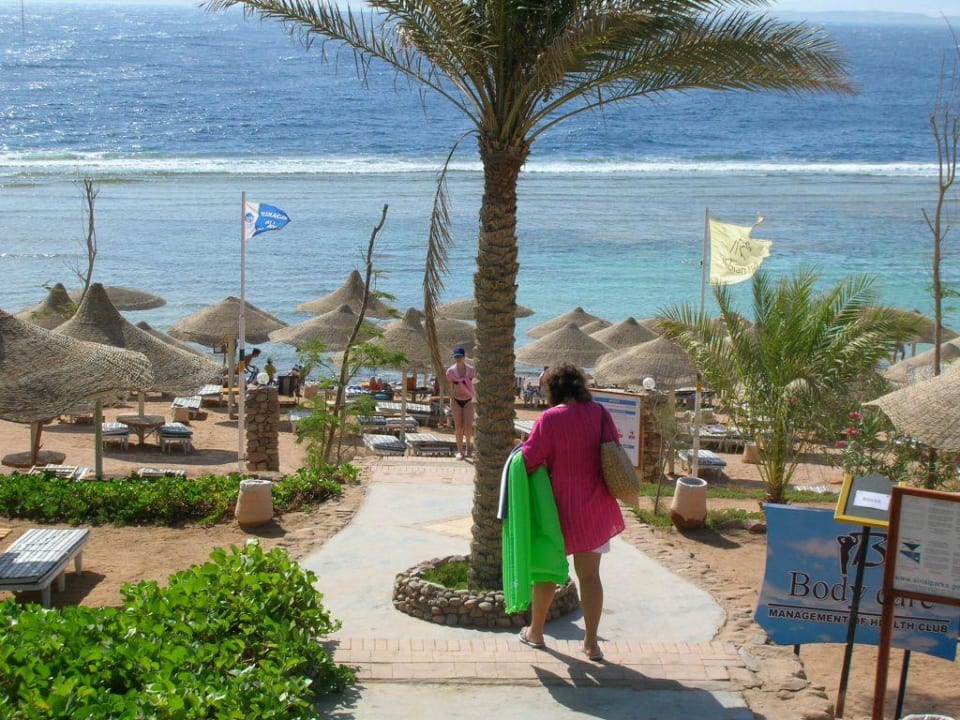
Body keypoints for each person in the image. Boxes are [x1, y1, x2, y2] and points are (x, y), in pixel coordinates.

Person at [518, 362, 626, 662]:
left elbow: (529, 460)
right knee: (590, 576)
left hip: (557, 511)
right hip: (595, 507)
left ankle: (536, 633)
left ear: (553, 389)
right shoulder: (601, 414)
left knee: (547, 573)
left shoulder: (550, 419)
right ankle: (591, 644)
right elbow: (614, 449)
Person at [444, 346, 475, 460]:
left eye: (460, 356)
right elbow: (450, 387)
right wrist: (452, 399)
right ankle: (460, 451)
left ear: (464, 357)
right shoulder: (450, 371)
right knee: (458, 427)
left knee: (468, 427)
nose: (458, 358)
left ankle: (468, 448)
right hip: (456, 401)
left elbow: (475, 385)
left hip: (468, 400)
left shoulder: (471, 370)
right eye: (456, 356)